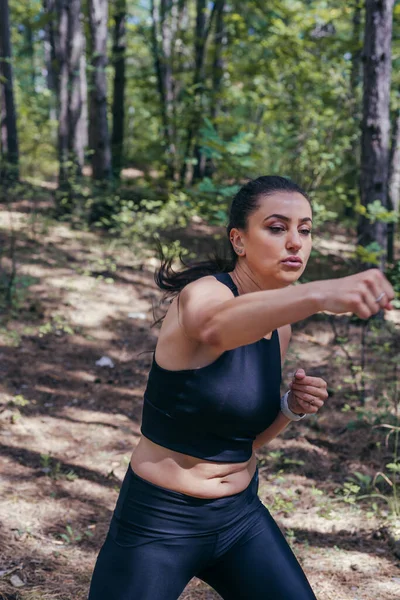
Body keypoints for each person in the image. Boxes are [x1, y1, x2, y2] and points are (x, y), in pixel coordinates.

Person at [88, 176, 395, 600]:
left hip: (240, 520)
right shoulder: (202, 296)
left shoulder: (279, 325)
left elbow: (242, 442)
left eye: (305, 230)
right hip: (161, 521)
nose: (295, 242)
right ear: (239, 240)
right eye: (276, 227)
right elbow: (215, 327)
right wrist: (319, 293)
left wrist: (289, 408)